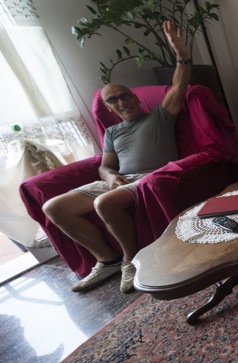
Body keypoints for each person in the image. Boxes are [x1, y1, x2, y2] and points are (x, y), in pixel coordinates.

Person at [43, 21, 191, 294]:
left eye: (124, 96)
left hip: (149, 178)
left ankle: (129, 261)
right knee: (53, 207)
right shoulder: (112, 132)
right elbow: (105, 166)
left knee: (104, 203)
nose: (121, 102)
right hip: (118, 180)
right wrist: (110, 176)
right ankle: (107, 260)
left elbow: (179, 85)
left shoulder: (160, 115)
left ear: (134, 97)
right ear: (108, 107)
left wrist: (180, 53)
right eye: (113, 100)